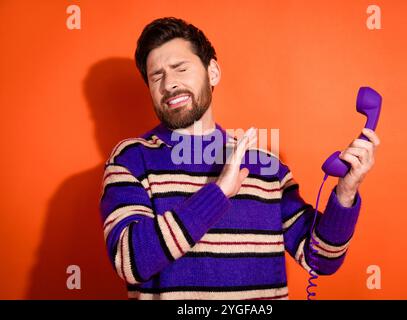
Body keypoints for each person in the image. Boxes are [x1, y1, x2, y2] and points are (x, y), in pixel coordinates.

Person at [99, 17, 380, 300]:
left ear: (213, 73)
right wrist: (219, 193)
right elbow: (130, 260)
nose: (169, 84)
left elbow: (321, 259)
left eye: (180, 68)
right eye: (156, 76)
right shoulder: (131, 159)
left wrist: (345, 193)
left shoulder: (266, 166)